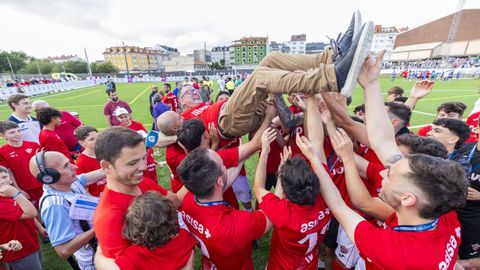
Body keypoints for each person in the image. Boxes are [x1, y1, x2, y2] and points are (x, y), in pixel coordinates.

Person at [298, 50, 468, 269]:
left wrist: (314, 157)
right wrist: (371, 84)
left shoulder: (392, 250)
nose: (381, 172)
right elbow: (383, 141)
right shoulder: (441, 211)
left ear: (407, 198)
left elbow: (339, 206)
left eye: (390, 174)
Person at [214, 16, 373, 138]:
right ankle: (334, 76)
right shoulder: (189, 116)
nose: (193, 94)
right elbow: (287, 121)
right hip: (227, 123)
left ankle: (330, 59)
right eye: (188, 93)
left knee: (271, 59)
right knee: (260, 77)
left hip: (243, 111)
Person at [253, 95, 332, 270]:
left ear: (286, 194)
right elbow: (318, 143)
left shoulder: (282, 213)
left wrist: (265, 151)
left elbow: (258, 188)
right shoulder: (327, 199)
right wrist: (311, 101)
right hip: (308, 263)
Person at [177, 147, 272, 269]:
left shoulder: (189, 198)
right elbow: (270, 215)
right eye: (223, 164)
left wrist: (242, 157)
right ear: (219, 181)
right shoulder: (234, 224)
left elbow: (226, 179)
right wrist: (265, 156)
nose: (225, 166)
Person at [93, 127, 180, 259]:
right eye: (133, 163)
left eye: (144, 158)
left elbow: (175, 201)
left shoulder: (141, 182)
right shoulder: (108, 218)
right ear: (106, 166)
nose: (144, 167)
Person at [29, 151, 106, 269]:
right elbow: (64, 250)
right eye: (66, 166)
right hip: (95, 262)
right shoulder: (55, 205)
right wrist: (98, 227)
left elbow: (103, 171)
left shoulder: (71, 183)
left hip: (104, 249)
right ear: (49, 177)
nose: (75, 166)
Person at [94, 192, 196, 270]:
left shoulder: (136, 256)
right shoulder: (184, 236)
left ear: (135, 230)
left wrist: (98, 253)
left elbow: (108, 266)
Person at [0, 166, 41, 270]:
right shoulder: (6, 199)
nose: (2, 182)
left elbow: (23, 212)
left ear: (10, 179)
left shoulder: (8, 195)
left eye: (4, 177)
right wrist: (16, 193)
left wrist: (40, 228)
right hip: (19, 251)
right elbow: (31, 212)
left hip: (29, 242)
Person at [0, 121, 42, 207]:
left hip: (42, 184)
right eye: (12, 132)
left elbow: (43, 165)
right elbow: (8, 172)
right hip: (25, 188)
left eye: (18, 131)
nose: (17, 134)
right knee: (34, 210)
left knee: (45, 206)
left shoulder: (34, 145)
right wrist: (18, 189)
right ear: (2, 135)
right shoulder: (2, 152)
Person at [457, 121, 480, 269]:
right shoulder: (465, 149)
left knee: (470, 258)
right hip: (454, 212)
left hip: (475, 219)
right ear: (477, 129)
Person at [114, 108, 158, 182]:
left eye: (125, 116)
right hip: (132, 157)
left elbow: (147, 140)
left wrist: (150, 154)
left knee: (151, 175)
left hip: (144, 153)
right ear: (117, 118)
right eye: (121, 117)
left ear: (129, 116)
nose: (124, 119)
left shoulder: (138, 125)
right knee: (140, 177)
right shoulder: (119, 130)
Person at [75, 125, 107, 197]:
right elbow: (81, 188)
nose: (97, 141)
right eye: (92, 139)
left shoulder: (105, 153)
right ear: (82, 143)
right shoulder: (81, 163)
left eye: (98, 137)